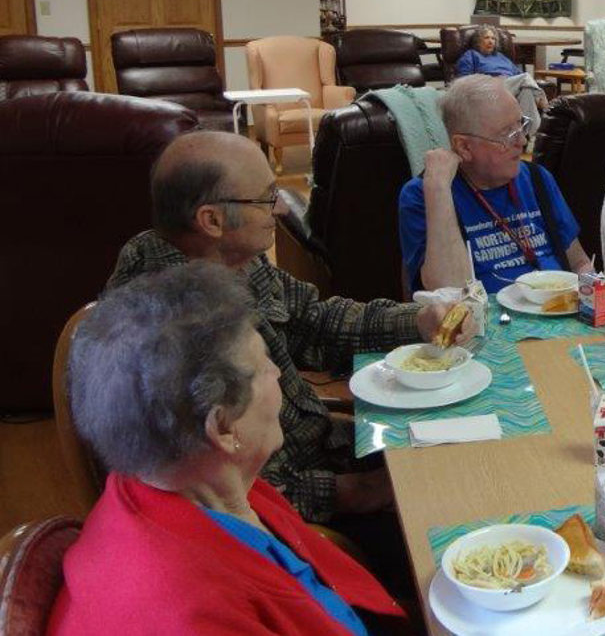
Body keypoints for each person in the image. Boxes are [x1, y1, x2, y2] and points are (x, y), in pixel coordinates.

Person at [107, 131, 473, 526]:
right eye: (266, 198)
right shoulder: (175, 337)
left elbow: (314, 321)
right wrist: (370, 490)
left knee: (467, 449)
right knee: (467, 507)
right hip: (303, 510)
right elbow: (249, 494)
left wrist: (417, 320)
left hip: (320, 446)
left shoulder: (228, 258)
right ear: (211, 220)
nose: (280, 208)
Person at [49, 263, 409, 635]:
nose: (279, 374)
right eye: (263, 364)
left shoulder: (173, 479)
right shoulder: (195, 610)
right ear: (222, 426)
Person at [399, 75, 592, 294]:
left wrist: (593, 288)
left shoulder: (538, 179)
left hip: (559, 316)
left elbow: (579, 262)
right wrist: (438, 189)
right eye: (508, 135)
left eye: (521, 125)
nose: (522, 141)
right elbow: (447, 295)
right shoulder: (423, 194)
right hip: (480, 324)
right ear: (464, 147)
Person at [454, 25, 547, 137]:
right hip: (488, 90)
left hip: (510, 88)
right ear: (478, 41)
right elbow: (464, 81)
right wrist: (490, 81)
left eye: (493, 38)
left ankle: (531, 137)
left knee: (527, 91)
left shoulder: (501, 57)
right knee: (526, 77)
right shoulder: (471, 55)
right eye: (486, 38)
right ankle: (541, 98)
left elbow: (518, 74)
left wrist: (510, 81)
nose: (490, 41)